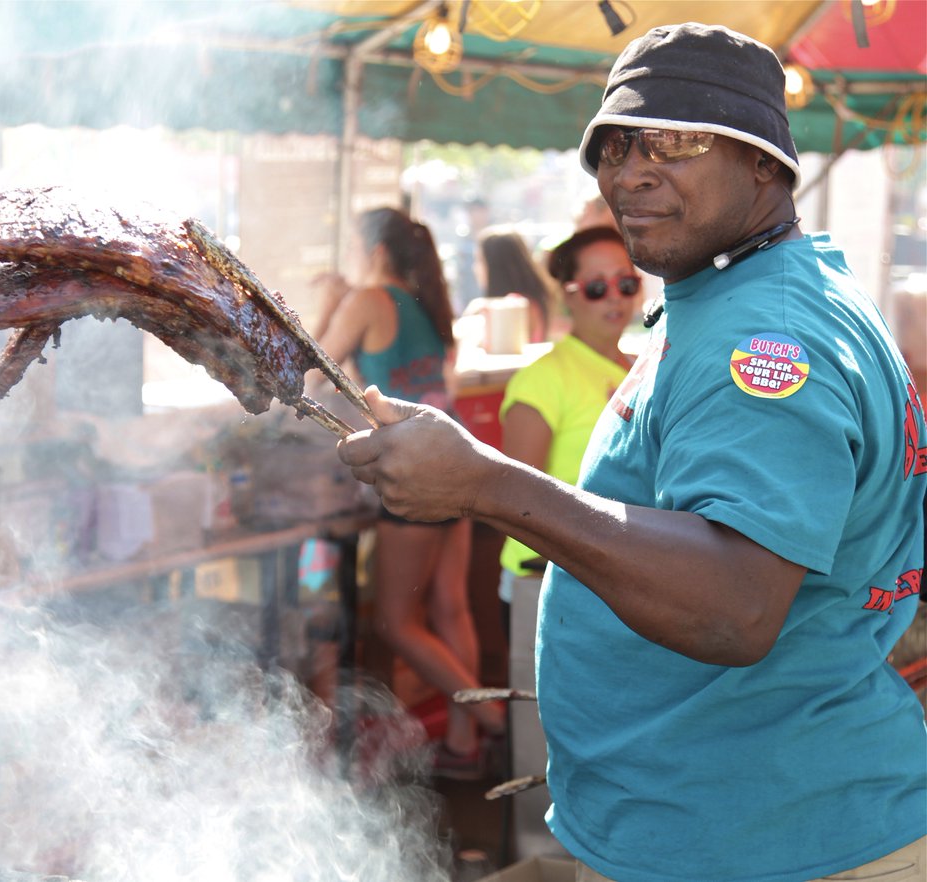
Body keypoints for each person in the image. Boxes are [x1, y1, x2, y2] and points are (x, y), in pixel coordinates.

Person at [336, 22, 926, 882]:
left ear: (765, 163)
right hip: (727, 823)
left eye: (675, 142)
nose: (632, 171)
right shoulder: (744, 295)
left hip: (766, 842)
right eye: (612, 147)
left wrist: (484, 484)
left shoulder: (766, 338)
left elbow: (735, 605)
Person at [312, 206, 505, 779]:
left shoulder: (368, 300)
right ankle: (465, 743)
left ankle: (496, 718)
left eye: (353, 247)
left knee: (397, 621)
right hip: (454, 457)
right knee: (449, 606)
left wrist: (329, 306)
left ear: (373, 251)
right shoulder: (425, 303)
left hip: (412, 470)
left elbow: (312, 374)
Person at [495, 226, 638, 857]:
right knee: (546, 747)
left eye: (627, 283)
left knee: (614, 742)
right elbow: (514, 501)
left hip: (624, 579)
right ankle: (542, 865)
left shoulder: (646, 369)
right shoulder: (543, 380)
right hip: (546, 583)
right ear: (568, 294)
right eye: (598, 287)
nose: (616, 299)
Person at [468, 225, 553, 346]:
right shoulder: (530, 301)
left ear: (496, 265)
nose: (474, 268)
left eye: (480, 260)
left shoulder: (515, 305)